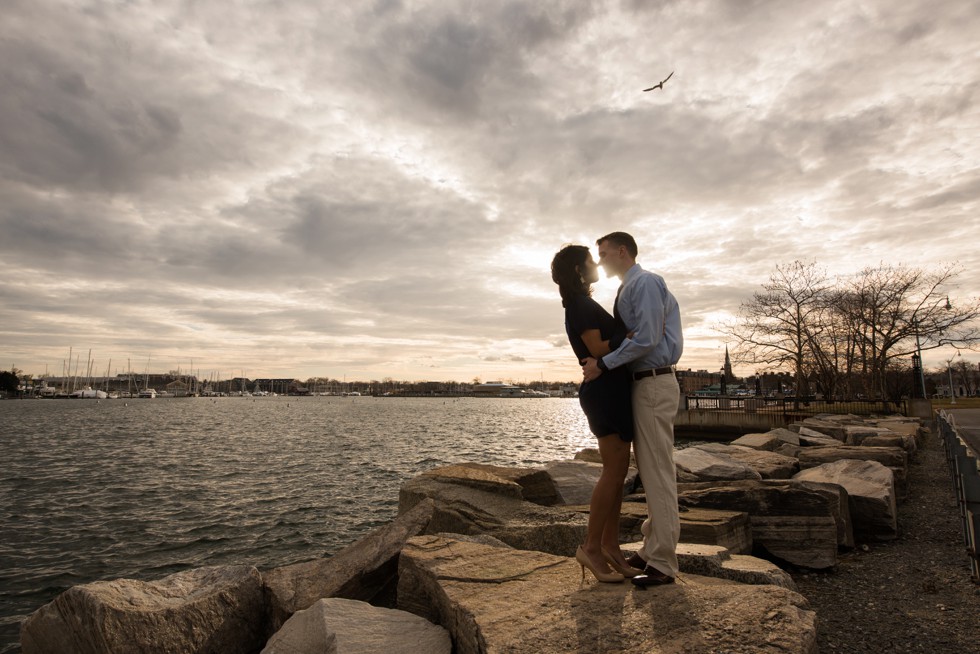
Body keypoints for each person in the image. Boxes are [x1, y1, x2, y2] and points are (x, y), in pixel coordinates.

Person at [582, 231, 683, 587]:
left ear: (622, 251)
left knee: (657, 473)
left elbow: (648, 337)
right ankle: (652, 546)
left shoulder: (645, 283)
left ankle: (664, 563)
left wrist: (604, 363)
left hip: (653, 381)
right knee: (653, 469)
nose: (600, 260)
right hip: (645, 383)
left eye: (604, 253)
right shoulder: (631, 287)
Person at [551, 244, 643, 583]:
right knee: (613, 472)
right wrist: (627, 331)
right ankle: (590, 547)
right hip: (604, 394)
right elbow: (599, 349)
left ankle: (611, 547)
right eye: (590, 260)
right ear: (578, 270)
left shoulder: (583, 304)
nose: (595, 264)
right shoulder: (579, 305)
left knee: (618, 474)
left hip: (612, 390)